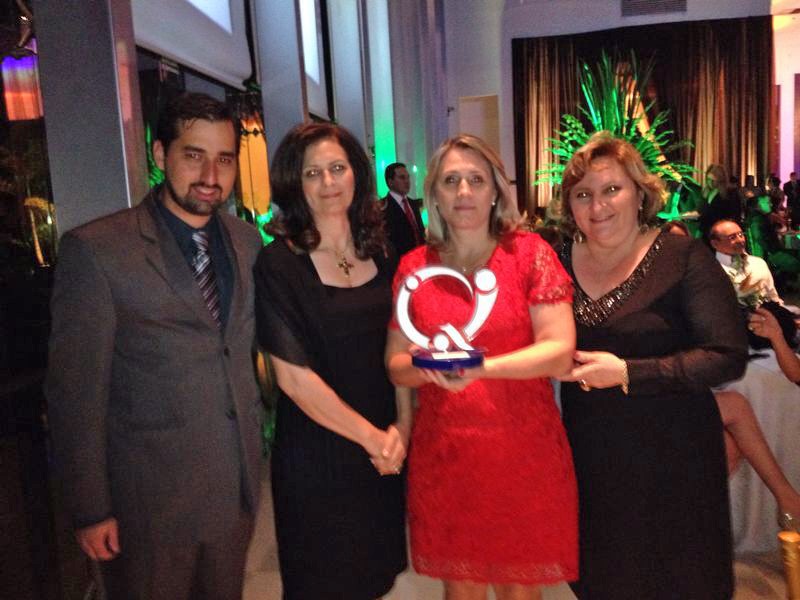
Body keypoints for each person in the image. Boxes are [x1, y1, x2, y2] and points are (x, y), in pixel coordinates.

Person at [45, 93, 264, 599]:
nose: (210, 175)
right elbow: (75, 393)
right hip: (147, 507)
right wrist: (90, 508)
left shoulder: (246, 242)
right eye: (194, 155)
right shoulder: (98, 250)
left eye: (224, 159)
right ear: (161, 154)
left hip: (233, 491)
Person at [555, 131, 748, 599]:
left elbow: (727, 355)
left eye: (611, 189)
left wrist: (628, 372)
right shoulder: (556, 263)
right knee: (604, 579)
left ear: (640, 193)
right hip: (591, 457)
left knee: (678, 578)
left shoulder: (681, 256)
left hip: (674, 454)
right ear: (569, 205)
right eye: (583, 194)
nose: (597, 205)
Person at [386, 134, 578, 600]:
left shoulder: (529, 254)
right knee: (461, 591)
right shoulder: (414, 267)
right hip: (447, 454)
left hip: (522, 450)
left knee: (520, 591)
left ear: (495, 190)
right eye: (450, 180)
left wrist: (477, 367)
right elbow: (396, 365)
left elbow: (558, 352)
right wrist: (428, 368)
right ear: (434, 194)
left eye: (476, 179)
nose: (464, 191)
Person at [254, 123, 408, 599]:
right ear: (294, 183)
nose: (328, 182)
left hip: (383, 448)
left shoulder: (381, 252)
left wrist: (402, 428)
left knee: (373, 579)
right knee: (321, 582)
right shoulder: (279, 264)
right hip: (317, 454)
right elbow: (294, 379)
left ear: (356, 173)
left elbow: (399, 347)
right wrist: (373, 439)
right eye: (312, 173)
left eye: (337, 168)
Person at [667, 223, 800, 533]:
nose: (740, 240)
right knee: (736, 410)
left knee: (733, 432)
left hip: (701, 372)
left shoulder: (728, 271)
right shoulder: (669, 287)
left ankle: (785, 501)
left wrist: (775, 333)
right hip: (664, 387)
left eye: (683, 245)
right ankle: (787, 500)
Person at [709, 219, 782, 305]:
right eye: (732, 237)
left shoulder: (758, 263)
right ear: (715, 244)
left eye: (741, 235)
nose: (740, 240)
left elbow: (773, 296)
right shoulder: (711, 271)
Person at [382, 161, 424, 256]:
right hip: (399, 260)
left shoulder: (413, 204)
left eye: (408, 177)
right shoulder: (383, 207)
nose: (407, 181)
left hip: (419, 259)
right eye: (402, 178)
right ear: (390, 182)